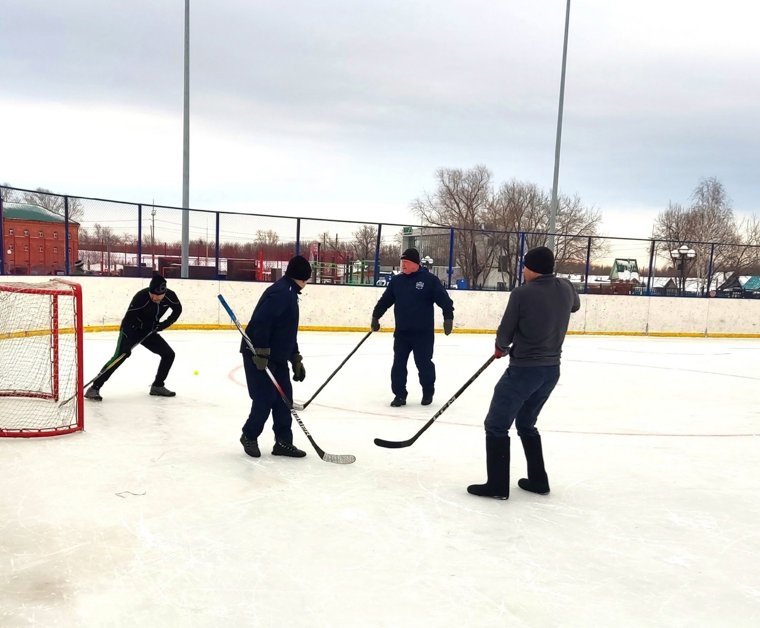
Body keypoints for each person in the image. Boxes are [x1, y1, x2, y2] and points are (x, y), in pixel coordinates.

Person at [467, 246, 580, 499]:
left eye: (526, 267)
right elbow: (574, 307)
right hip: (551, 371)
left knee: (496, 424)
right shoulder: (567, 287)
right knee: (527, 423)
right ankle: (539, 480)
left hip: (523, 371)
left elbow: (505, 331)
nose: (523, 271)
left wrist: (500, 347)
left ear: (533, 269)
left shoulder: (522, 293)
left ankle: (497, 485)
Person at [239, 255, 311, 459]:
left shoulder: (290, 292)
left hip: (276, 357)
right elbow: (261, 322)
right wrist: (261, 351)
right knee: (265, 398)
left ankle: (283, 442)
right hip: (258, 354)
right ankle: (249, 435)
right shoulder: (281, 293)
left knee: (283, 399)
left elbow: (286, 331)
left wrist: (295, 357)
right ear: (303, 277)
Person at [371, 247, 454, 407]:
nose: (403, 265)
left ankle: (428, 391)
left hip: (423, 334)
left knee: (424, 364)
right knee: (398, 365)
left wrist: (448, 317)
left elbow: (444, 300)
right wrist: (376, 316)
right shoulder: (397, 281)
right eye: (402, 262)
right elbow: (385, 301)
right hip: (402, 333)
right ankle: (399, 395)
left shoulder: (429, 280)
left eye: (406, 262)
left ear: (415, 264)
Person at [84, 272, 182, 401]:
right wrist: (128, 343)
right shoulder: (141, 297)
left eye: (159, 296)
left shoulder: (170, 296)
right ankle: (94, 388)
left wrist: (163, 325)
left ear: (164, 292)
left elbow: (177, 310)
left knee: (169, 354)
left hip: (149, 331)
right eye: (153, 294)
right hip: (131, 329)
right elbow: (129, 319)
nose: (155, 298)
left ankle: (158, 386)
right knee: (120, 356)